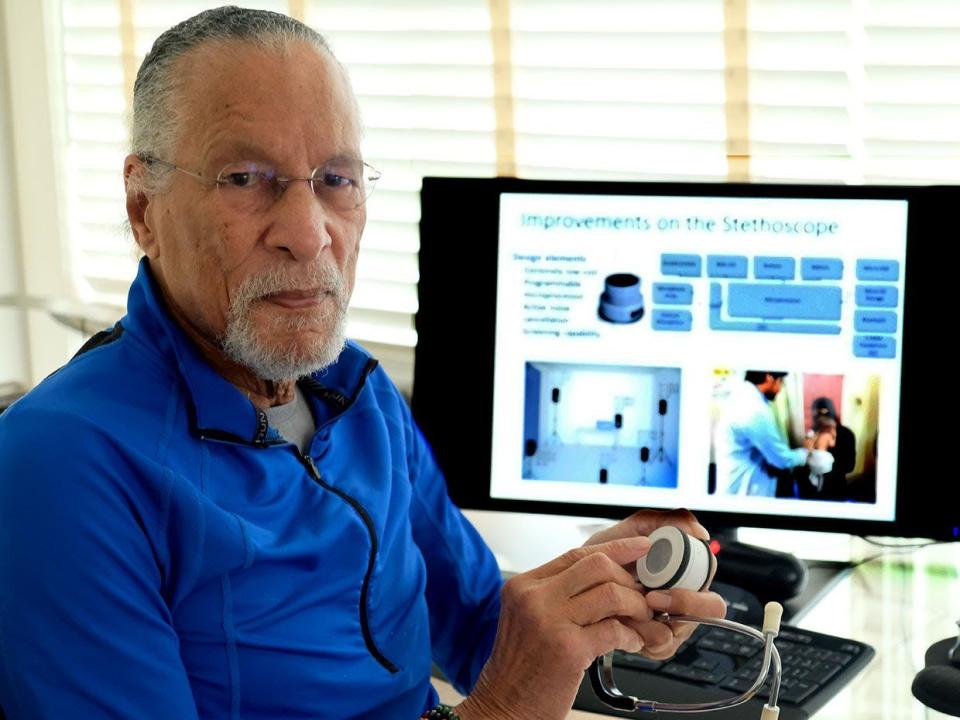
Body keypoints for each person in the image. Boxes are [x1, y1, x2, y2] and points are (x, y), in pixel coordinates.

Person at [0, 7, 725, 719]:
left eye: (335, 179)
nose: (309, 235)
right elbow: (499, 693)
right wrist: (504, 708)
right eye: (246, 178)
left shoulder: (358, 394)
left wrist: (590, 600)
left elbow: (477, 629)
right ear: (141, 206)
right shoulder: (60, 465)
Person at [715, 370, 824, 497]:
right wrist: (805, 453)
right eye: (781, 382)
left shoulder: (741, 398)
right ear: (769, 377)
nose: (780, 389)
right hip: (744, 495)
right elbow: (781, 460)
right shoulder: (754, 409)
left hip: (737, 488)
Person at [797, 396, 856, 500]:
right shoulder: (812, 432)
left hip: (835, 487)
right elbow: (804, 461)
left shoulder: (846, 434)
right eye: (818, 414)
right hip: (812, 488)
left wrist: (825, 468)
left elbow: (850, 466)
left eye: (825, 414)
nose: (822, 418)